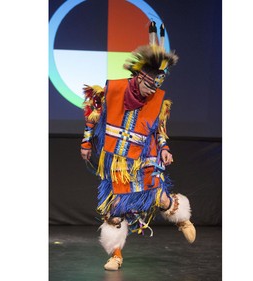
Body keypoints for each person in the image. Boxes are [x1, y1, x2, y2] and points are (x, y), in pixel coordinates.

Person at [80, 22, 196, 271]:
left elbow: (159, 129)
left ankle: (182, 219)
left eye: (156, 85)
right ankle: (116, 255)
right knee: (115, 210)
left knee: (160, 198)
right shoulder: (113, 90)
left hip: (144, 159)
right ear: (139, 75)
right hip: (117, 162)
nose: (151, 90)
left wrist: (164, 149)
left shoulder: (157, 101)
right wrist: (87, 141)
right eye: (149, 84)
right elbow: (92, 114)